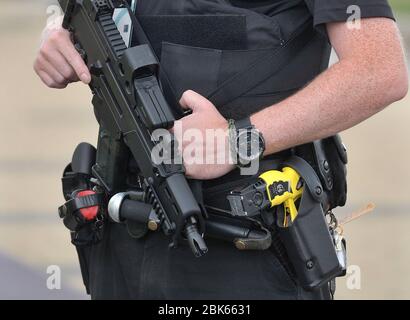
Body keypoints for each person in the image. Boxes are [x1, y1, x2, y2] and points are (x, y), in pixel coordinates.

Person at [34, 0, 408, 300]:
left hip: (242, 245)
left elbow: (378, 70)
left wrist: (237, 141)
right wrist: (62, 31)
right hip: (120, 237)